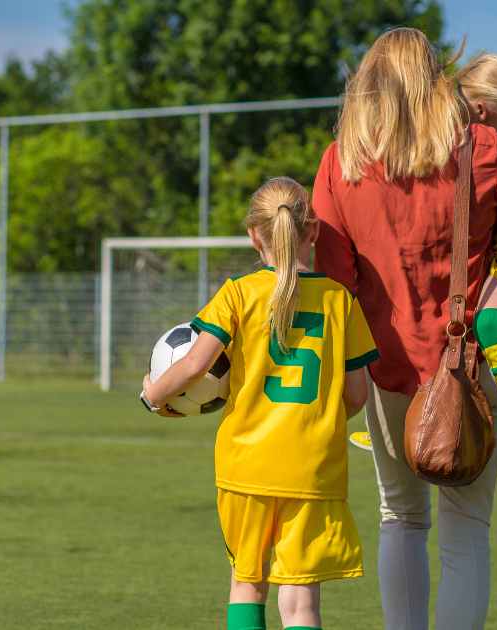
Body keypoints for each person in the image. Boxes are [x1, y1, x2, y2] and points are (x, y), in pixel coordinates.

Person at [311, 29, 497, 629]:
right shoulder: (478, 146)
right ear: (435, 80)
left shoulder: (340, 162)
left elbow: (334, 281)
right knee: (466, 534)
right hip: (471, 371)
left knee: (399, 518)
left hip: (385, 373)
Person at [140, 176, 380, 630]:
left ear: (254, 234)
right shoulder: (340, 300)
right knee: (302, 604)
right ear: (312, 232)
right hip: (314, 468)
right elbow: (357, 395)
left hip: (247, 467)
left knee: (247, 584)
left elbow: (194, 366)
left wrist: (152, 394)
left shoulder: (238, 292)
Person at [349, 52, 497, 489]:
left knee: (487, 322)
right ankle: (419, 418)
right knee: (442, 315)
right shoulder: (491, 147)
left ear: (480, 112)